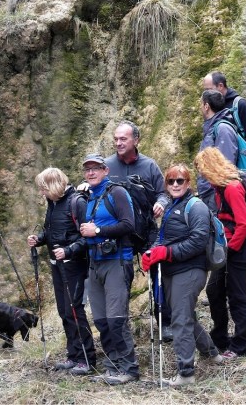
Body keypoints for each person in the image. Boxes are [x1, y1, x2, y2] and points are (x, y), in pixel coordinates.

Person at [141, 163, 225, 387]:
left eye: (180, 181)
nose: (175, 184)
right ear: (166, 184)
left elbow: (198, 241)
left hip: (190, 271)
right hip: (173, 271)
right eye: (171, 181)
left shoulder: (195, 206)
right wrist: (152, 251)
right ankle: (212, 353)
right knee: (185, 316)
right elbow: (164, 238)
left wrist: (166, 252)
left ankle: (186, 373)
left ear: (188, 183)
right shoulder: (171, 206)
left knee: (180, 321)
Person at [104, 120, 172, 341]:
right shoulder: (106, 166)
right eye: (115, 139)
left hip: (147, 230)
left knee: (159, 275)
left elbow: (165, 192)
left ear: (136, 139)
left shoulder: (149, 166)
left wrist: (161, 202)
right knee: (121, 281)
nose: (118, 143)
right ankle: (120, 329)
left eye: (123, 139)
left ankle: (165, 323)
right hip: (118, 233)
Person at [77, 154, 140, 385]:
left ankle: (129, 368)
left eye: (95, 168)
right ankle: (113, 365)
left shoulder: (117, 193)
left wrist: (98, 232)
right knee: (102, 320)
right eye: (87, 170)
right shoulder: (90, 197)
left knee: (116, 319)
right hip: (95, 263)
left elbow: (128, 225)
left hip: (117, 261)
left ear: (105, 170)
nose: (91, 173)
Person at [27, 168, 96, 375]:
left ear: (54, 186)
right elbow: (51, 231)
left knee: (75, 310)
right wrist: (39, 239)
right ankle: (73, 355)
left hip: (75, 265)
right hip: (57, 265)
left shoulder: (77, 202)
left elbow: (88, 237)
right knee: (64, 312)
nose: (42, 193)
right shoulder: (54, 203)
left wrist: (68, 250)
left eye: (43, 189)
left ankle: (87, 358)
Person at [194, 147, 246, 360]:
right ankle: (220, 338)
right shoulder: (220, 188)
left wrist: (229, 251)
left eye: (203, 171)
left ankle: (240, 345)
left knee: (238, 296)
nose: (202, 176)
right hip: (226, 249)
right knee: (214, 291)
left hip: (236, 250)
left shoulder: (232, 188)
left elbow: (244, 224)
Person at [197, 89, 239, 212]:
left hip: (216, 194)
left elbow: (226, 165)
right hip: (210, 192)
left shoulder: (222, 128)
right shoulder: (212, 127)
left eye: (201, 104)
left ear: (206, 106)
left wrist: (215, 191)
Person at [203, 71, 246, 158]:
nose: (206, 94)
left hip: (238, 162)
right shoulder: (213, 105)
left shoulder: (240, 105)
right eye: (205, 90)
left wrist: (237, 158)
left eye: (209, 89)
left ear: (220, 86)